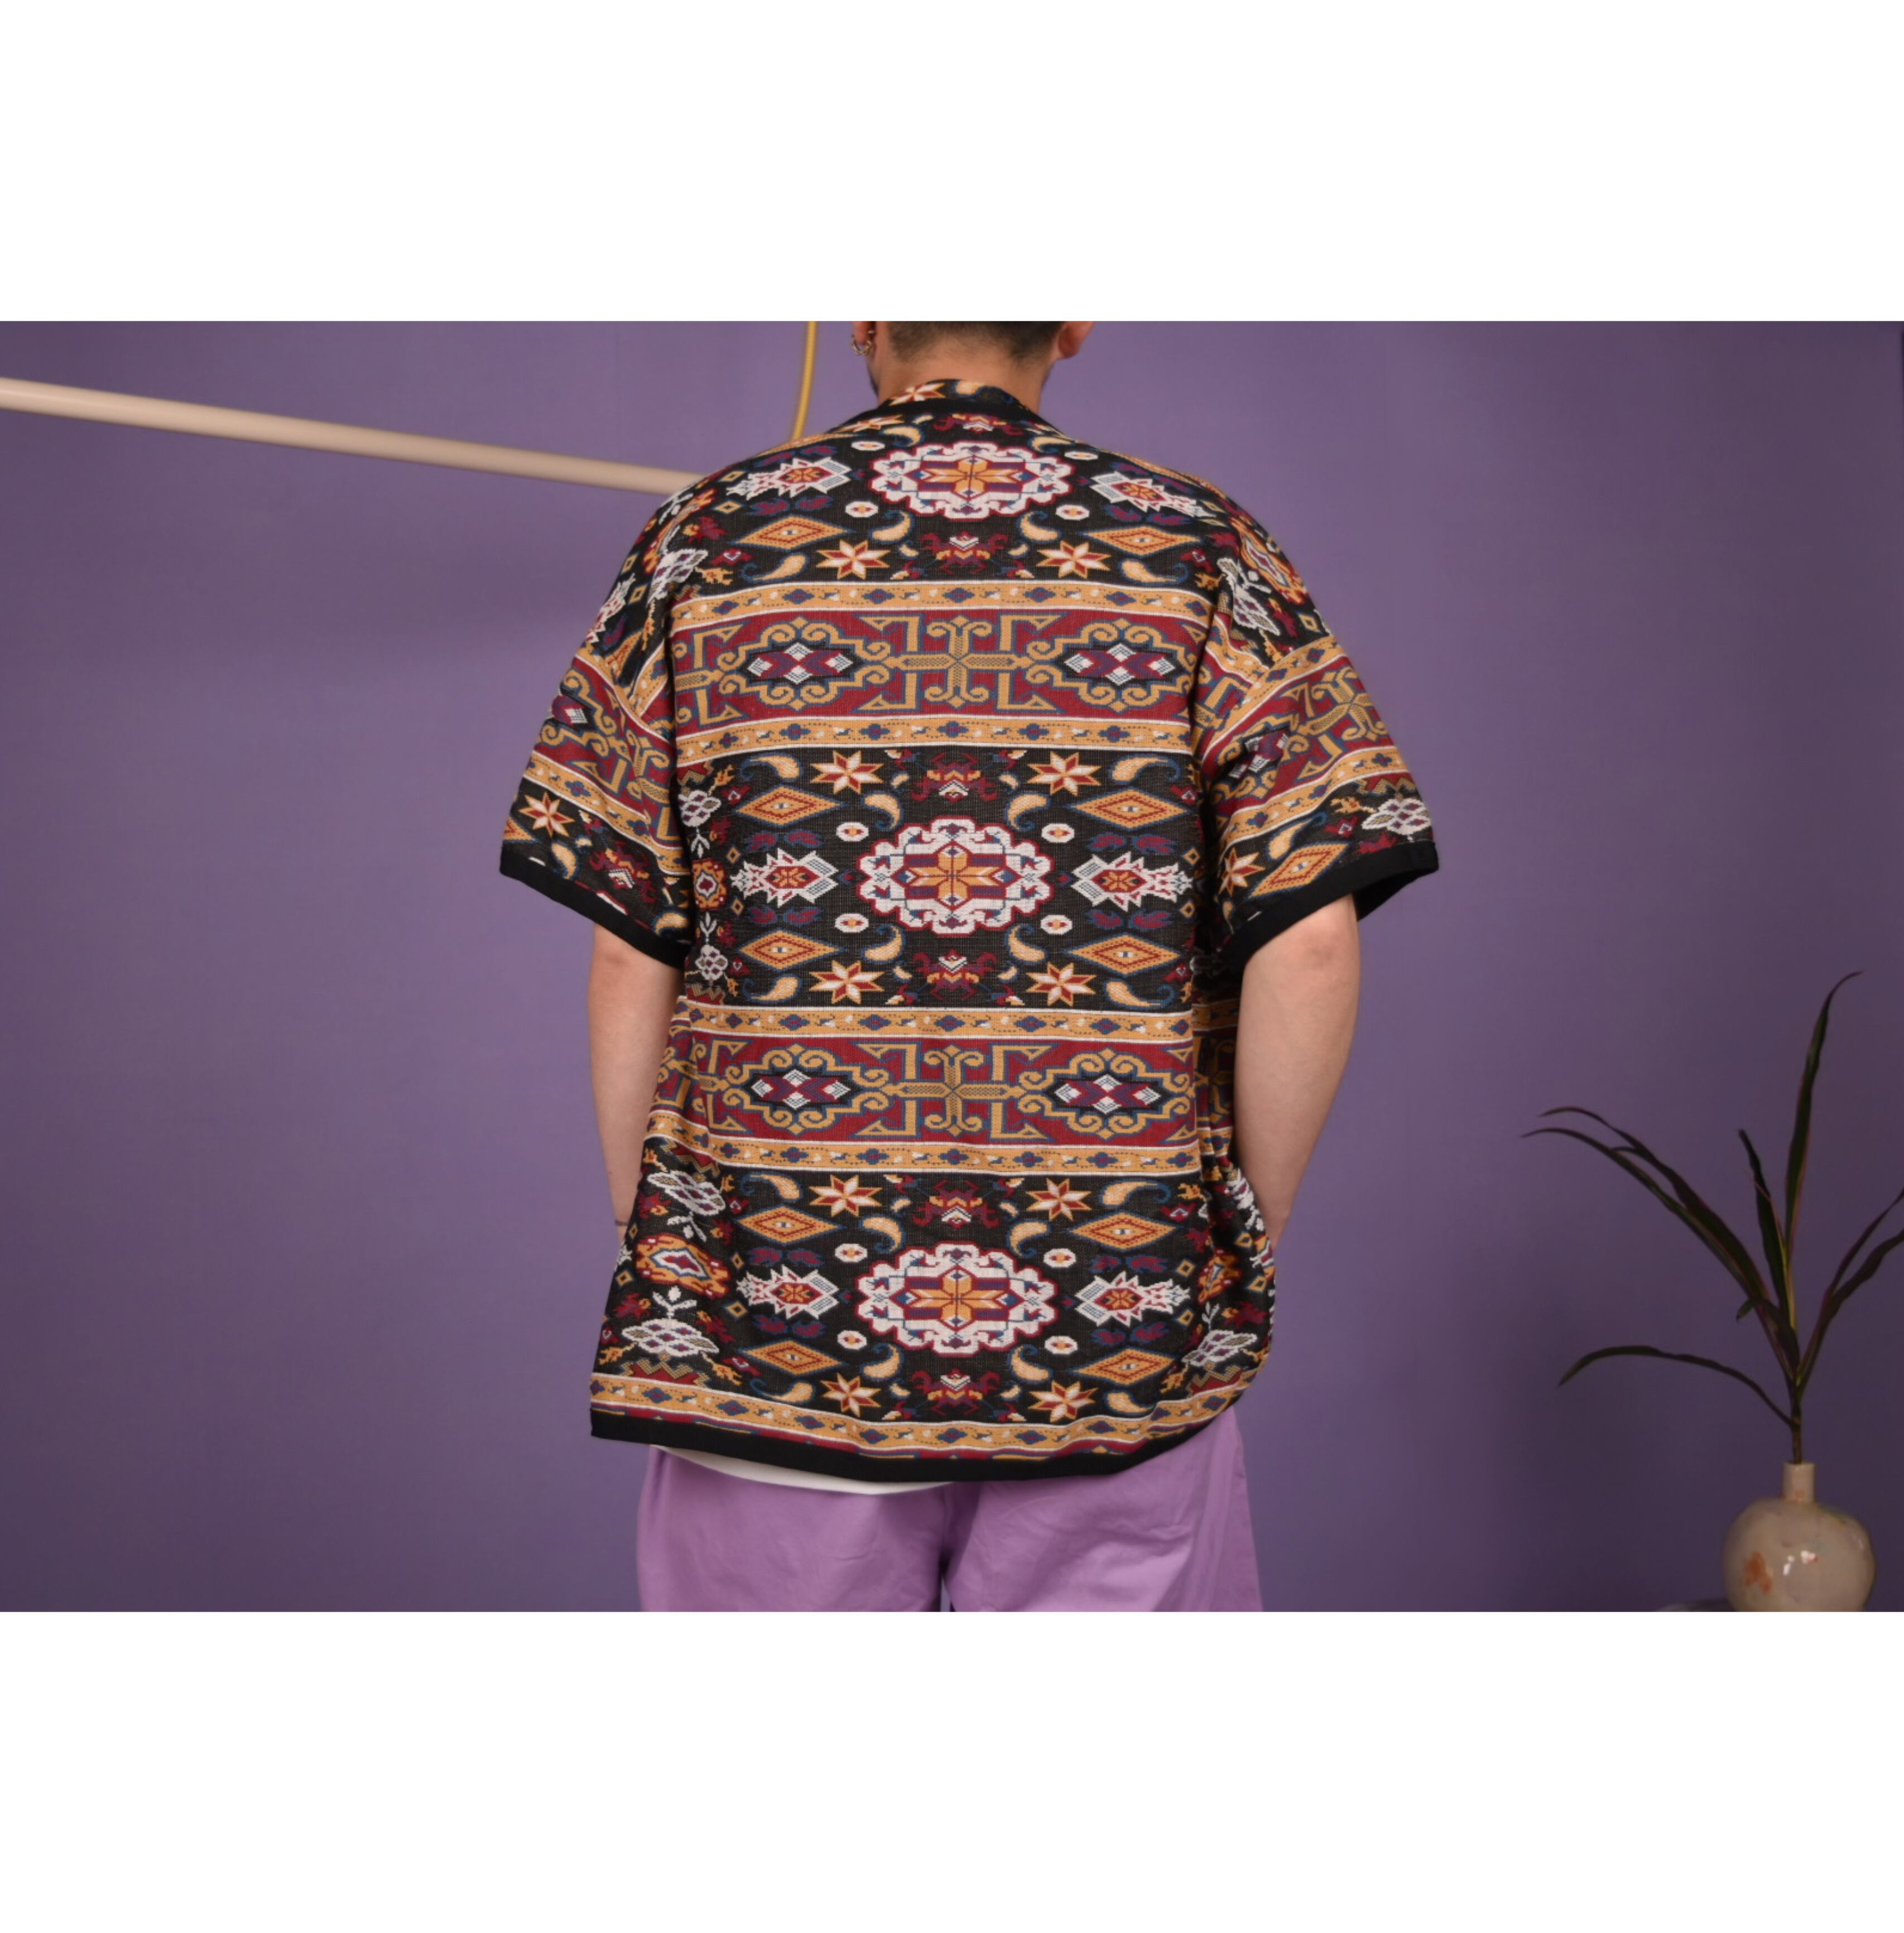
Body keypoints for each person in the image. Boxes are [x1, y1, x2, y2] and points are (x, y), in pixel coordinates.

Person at [498, 321, 1439, 1610]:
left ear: (861, 314)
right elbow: (1314, 935)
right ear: (1074, 318)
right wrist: (1226, 1239)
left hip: (773, 1312)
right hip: (1115, 1316)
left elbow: (628, 937)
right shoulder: (1201, 547)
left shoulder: (704, 541)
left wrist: (670, 1246)